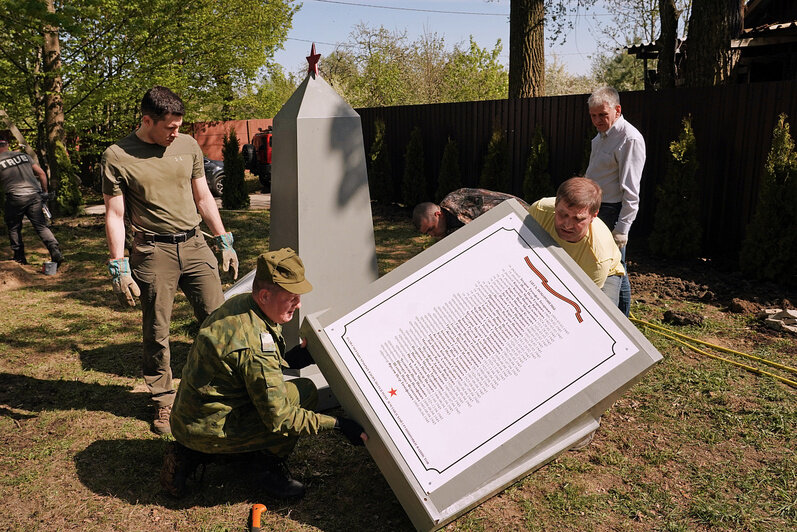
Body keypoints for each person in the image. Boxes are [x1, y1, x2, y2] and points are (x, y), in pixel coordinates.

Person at [162, 248, 366, 499]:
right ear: (266, 295)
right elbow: (281, 419)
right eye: (291, 297)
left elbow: (244, 368)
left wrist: (288, 358)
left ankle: (191, 453)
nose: (298, 304)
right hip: (211, 430)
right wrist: (338, 424)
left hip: (187, 419)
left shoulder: (240, 304)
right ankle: (265, 466)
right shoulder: (256, 345)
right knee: (303, 393)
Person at [101, 86, 239, 435]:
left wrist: (223, 239)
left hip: (194, 245)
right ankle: (164, 401)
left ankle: (224, 389)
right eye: (169, 127)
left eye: (179, 126)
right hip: (152, 252)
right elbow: (115, 214)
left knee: (218, 320)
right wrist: (119, 263)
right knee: (157, 331)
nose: (175, 132)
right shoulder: (117, 156)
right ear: (147, 120)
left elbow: (203, 195)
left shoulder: (188, 145)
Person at [585, 86, 646, 316]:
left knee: (616, 269)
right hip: (598, 209)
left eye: (602, 115)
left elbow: (631, 191)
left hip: (613, 211)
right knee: (615, 268)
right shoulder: (602, 136)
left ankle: (621, 321)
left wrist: (622, 229)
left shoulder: (628, 139)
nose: (597, 120)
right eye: (593, 116)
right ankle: (619, 321)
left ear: (617, 110)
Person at [528, 177, 625, 307]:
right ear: (556, 205)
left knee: (602, 315)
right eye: (563, 214)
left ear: (593, 216)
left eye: (578, 219)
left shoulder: (598, 258)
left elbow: (581, 302)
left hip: (604, 274)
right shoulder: (539, 210)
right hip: (558, 259)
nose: (567, 225)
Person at [0, 139, 63, 266]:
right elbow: (41, 174)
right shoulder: (24, 156)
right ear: (7, 146)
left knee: (14, 227)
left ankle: (19, 257)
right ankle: (54, 250)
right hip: (34, 196)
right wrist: (44, 192)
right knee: (41, 226)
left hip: (15, 197)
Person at [413, 188, 530, 237]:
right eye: (427, 233)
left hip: (521, 216)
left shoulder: (458, 201)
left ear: (438, 215)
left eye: (431, 228)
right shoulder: (447, 228)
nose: (431, 235)